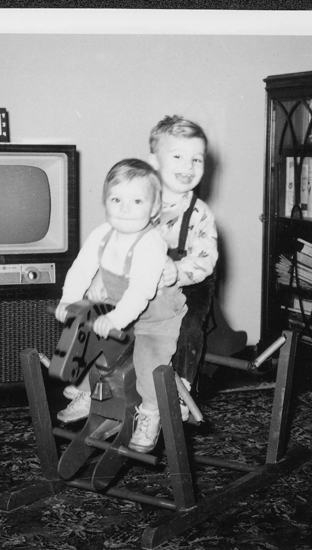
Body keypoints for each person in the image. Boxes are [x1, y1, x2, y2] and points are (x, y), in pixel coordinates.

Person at [54, 158, 186, 453]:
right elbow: (80, 268)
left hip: (155, 318)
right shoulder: (101, 235)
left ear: (153, 209)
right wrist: (70, 299)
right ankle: (91, 392)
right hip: (118, 308)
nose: (125, 208)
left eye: (137, 201)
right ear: (105, 202)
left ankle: (151, 413)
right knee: (90, 335)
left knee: (150, 361)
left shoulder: (151, 243)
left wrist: (116, 319)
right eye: (117, 199)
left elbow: (140, 291)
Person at [147, 115, 218, 396]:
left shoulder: (200, 213)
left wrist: (177, 271)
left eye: (197, 159)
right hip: (149, 282)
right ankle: (93, 383)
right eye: (178, 156)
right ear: (153, 162)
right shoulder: (141, 202)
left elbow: (205, 260)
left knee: (187, 327)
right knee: (108, 312)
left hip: (191, 284)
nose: (188, 166)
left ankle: (182, 389)